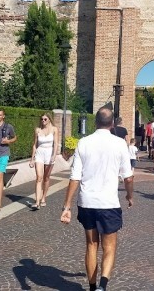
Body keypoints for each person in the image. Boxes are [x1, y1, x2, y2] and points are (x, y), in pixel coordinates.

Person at [60, 107, 133, 291]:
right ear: (113, 124)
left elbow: (75, 177)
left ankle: (93, 288)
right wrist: (130, 195)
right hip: (109, 203)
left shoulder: (84, 143)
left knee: (91, 245)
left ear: (96, 122)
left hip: (87, 202)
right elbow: (128, 177)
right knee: (109, 247)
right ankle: (103, 285)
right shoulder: (119, 144)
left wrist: (67, 205)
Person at [29, 113, 58, 210]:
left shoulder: (54, 129)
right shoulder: (37, 130)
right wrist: (32, 158)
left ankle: (43, 197)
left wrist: (54, 156)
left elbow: (56, 144)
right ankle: (37, 201)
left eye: (45, 119)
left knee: (46, 178)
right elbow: (34, 144)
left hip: (49, 154)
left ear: (49, 119)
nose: (43, 121)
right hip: (39, 154)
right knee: (39, 177)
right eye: (42, 119)